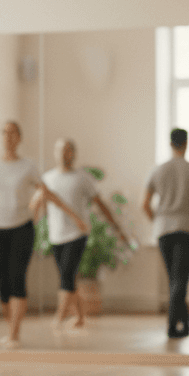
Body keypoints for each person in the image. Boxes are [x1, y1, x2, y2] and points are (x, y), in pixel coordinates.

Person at [0, 121, 87, 348]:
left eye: (13, 133)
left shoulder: (28, 167)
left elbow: (48, 194)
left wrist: (75, 216)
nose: (8, 137)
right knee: (3, 286)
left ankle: (14, 333)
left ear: (19, 138)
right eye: (4, 132)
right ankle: (11, 325)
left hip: (22, 230)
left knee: (17, 279)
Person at [37, 138, 129, 329]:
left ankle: (59, 316)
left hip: (77, 234)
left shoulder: (83, 178)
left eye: (68, 150)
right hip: (56, 235)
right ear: (55, 153)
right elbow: (43, 206)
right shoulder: (48, 178)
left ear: (74, 153)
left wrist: (117, 227)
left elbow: (100, 203)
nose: (64, 153)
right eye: (60, 149)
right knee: (67, 277)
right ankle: (80, 316)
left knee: (67, 276)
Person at [142, 128, 189, 338]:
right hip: (187, 228)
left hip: (164, 230)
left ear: (170, 144)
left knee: (174, 278)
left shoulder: (157, 170)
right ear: (186, 143)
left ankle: (184, 321)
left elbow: (144, 203)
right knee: (180, 279)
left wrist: (157, 221)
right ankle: (173, 325)